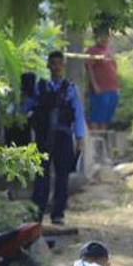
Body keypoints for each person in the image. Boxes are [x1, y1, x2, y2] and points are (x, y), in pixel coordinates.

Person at [26, 51, 87, 225]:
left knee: (62, 176)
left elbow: (78, 114)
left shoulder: (70, 89)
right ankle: (37, 212)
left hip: (63, 136)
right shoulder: (41, 87)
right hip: (43, 137)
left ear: (63, 65)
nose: (56, 67)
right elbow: (28, 108)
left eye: (59, 63)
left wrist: (80, 138)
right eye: (53, 63)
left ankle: (58, 214)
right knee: (41, 176)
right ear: (48, 66)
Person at [84, 25, 120, 131]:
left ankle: (103, 136)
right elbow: (89, 69)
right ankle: (95, 136)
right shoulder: (92, 51)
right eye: (102, 36)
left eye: (107, 36)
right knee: (97, 114)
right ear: (97, 37)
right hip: (100, 89)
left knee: (107, 115)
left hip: (112, 88)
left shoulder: (109, 50)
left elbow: (114, 68)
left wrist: (117, 86)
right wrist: (94, 85)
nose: (105, 39)